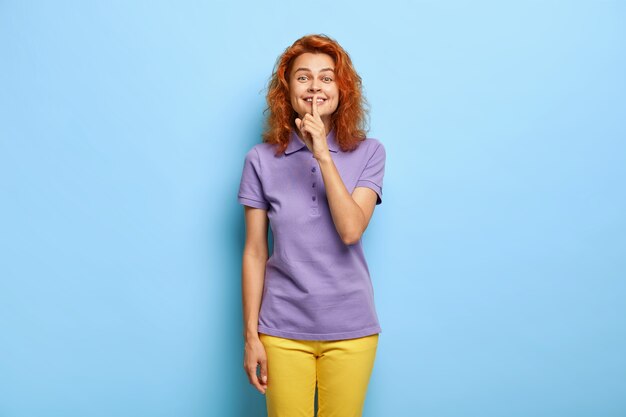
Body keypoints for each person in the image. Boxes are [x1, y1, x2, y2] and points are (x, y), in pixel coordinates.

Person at [237, 33, 386, 417]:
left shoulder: (370, 153)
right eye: (303, 77)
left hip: (351, 328)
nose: (315, 86)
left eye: (326, 77)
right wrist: (251, 337)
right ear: (286, 89)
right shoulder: (260, 159)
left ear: (342, 89)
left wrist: (322, 153)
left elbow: (352, 230)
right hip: (282, 329)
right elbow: (255, 251)